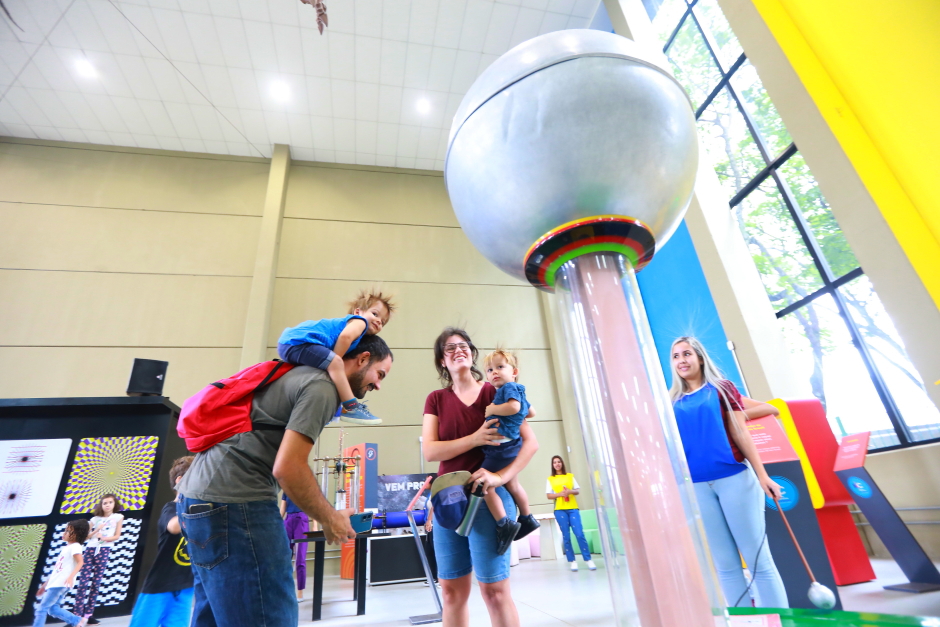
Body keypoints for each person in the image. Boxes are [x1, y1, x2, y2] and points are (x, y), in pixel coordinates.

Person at [177, 333, 393, 627]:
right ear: (363, 359)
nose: (378, 385)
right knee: (270, 617)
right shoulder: (323, 387)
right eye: (379, 374)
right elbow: (289, 467)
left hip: (198, 500)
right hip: (238, 503)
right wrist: (330, 518)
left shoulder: (295, 374)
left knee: (213, 617)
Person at [422, 327, 538, 627]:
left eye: (463, 346)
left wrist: (501, 478)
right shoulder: (435, 399)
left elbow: (531, 443)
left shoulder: (495, 392)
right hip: (449, 501)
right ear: (442, 362)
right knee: (450, 592)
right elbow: (431, 452)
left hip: (489, 500)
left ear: (472, 354)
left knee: (495, 591)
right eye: (449, 348)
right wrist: (475, 439)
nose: (458, 350)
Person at [669, 336, 788, 608]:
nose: (682, 360)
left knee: (759, 561)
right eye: (676, 356)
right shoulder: (671, 399)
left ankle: (779, 621)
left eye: (687, 354)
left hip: (734, 479)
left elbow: (740, 432)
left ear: (699, 357)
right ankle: (743, 619)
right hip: (696, 487)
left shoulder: (722, 388)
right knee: (725, 565)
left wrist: (763, 475)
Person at [277, 288, 394, 425]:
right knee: (336, 363)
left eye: (383, 321)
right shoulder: (359, 322)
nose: (379, 321)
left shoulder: (355, 329)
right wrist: (335, 359)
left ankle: (337, 409)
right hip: (298, 342)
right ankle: (351, 407)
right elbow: (345, 337)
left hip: (291, 343)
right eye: (375, 314)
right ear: (358, 312)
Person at [480, 349, 539, 554]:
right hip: (511, 444)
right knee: (512, 483)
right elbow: (530, 412)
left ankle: (504, 523)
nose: (494, 372)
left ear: (514, 371)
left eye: (500, 367)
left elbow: (514, 408)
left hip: (502, 447)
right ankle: (526, 517)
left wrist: (492, 410)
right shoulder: (519, 389)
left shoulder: (509, 388)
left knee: (484, 485)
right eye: (489, 369)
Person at [128, 456, 195, 627]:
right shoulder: (171, 508)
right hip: (160, 585)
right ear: (180, 481)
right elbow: (173, 526)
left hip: (186, 585)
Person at [73, 494, 124, 623]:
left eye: (110, 502)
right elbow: (85, 537)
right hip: (90, 550)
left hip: (104, 550)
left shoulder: (118, 517)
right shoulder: (95, 519)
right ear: (101, 505)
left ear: (114, 504)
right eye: (105, 503)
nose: (107, 505)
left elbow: (117, 536)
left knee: (96, 583)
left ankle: (88, 615)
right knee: (83, 583)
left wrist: (104, 538)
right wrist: (96, 532)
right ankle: (76, 617)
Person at [34, 519, 89, 627]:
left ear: (76, 534)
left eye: (68, 531)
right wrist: (45, 585)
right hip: (57, 583)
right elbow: (57, 570)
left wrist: (70, 577)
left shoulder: (75, 546)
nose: (64, 533)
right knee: (52, 609)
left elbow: (81, 562)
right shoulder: (67, 548)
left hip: (61, 583)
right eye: (66, 530)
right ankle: (77, 621)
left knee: (42, 609)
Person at [545, 455, 595, 572]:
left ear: (562, 463)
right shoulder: (550, 479)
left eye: (559, 462)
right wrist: (560, 494)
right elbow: (548, 495)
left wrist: (569, 492)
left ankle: (588, 559)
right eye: (554, 462)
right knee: (566, 536)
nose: (557, 464)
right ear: (552, 465)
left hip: (573, 508)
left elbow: (577, 491)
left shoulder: (570, 476)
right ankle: (572, 561)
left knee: (579, 534)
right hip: (560, 509)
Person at [280, 491, 309, 600]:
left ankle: (300, 592)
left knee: (300, 559)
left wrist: (315, 525)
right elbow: (282, 509)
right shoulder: (286, 489)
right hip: (288, 520)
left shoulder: (305, 487)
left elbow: (311, 507)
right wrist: (277, 524)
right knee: (285, 557)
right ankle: (285, 590)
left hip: (301, 520)